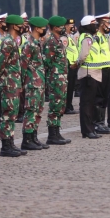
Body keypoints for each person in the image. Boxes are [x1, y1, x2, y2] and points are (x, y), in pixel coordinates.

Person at [0, 14, 28, 156]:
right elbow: (2, 62)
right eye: (21, 25)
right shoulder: (8, 41)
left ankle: (11, 142)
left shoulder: (13, 41)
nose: (23, 27)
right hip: (8, 82)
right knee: (8, 113)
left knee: (12, 114)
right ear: (14, 26)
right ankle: (5, 146)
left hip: (14, 81)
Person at [19, 16, 50, 150]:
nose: (45, 30)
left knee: (38, 110)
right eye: (43, 28)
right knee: (31, 110)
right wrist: (22, 83)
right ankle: (27, 138)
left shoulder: (37, 43)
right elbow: (23, 65)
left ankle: (34, 137)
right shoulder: (29, 44)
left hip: (39, 82)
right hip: (32, 82)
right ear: (37, 28)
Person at [43, 16, 72, 144]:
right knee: (55, 105)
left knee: (60, 105)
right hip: (55, 78)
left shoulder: (57, 40)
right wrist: (52, 75)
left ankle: (57, 132)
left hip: (61, 77)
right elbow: (47, 61)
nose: (63, 28)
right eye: (61, 26)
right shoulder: (51, 41)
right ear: (55, 27)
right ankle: (52, 135)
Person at [76, 16, 102, 139]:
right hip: (88, 73)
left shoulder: (91, 38)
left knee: (90, 103)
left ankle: (90, 128)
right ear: (87, 26)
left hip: (93, 73)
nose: (96, 26)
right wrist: (78, 63)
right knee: (86, 104)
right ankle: (87, 130)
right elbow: (83, 55)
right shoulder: (86, 38)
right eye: (94, 24)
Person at [94, 12, 110, 134]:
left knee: (105, 97)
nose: (109, 25)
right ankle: (97, 123)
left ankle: (102, 122)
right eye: (107, 23)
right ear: (101, 24)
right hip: (100, 68)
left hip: (107, 68)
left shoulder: (104, 36)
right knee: (99, 97)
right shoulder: (96, 36)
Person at [63, 18, 79, 115]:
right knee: (68, 87)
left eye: (73, 25)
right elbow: (63, 51)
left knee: (71, 87)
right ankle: (66, 106)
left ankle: (69, 105)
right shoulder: (64, 38)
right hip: (69, 65)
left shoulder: (70, 37)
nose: (72, 27)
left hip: (73, 65)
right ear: (65, 26)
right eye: (70, 25)